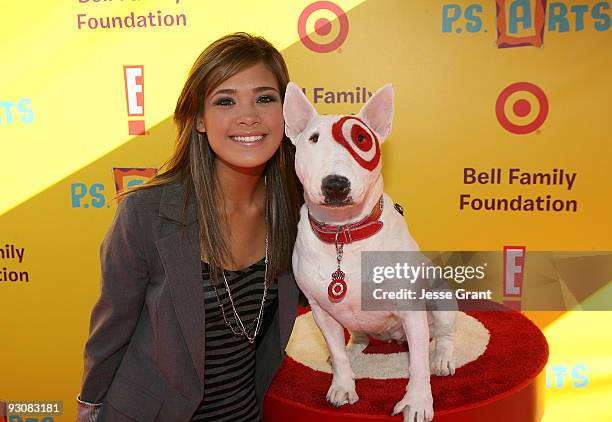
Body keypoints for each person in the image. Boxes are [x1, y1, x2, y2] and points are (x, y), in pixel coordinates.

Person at [76, 32, 303, 421]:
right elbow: (112, 328)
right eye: (225, 100)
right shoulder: (145, 213)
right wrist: (90, 406)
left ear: (288, 112)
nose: (248, 115)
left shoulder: (298, 211)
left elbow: (345, 290)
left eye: (265, 98)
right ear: (199, 118)